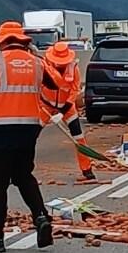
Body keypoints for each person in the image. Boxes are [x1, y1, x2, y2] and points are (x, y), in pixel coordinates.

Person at [0, 21, 69, 253]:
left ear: (2, 42)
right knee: (24, 176)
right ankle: (41, 217)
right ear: (24, 41)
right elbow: (58, 83)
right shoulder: (38, 63)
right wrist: (39, 60)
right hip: (29, 130)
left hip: (0, 131)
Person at [40, 40, 94, 181]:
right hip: (45, 106)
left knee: (78, 138)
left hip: (67, 107)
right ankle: (20, 169)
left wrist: (64, 108)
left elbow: (75, 89)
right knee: (29, 136)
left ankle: (87, 169)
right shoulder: (43, 67)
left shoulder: (73, 68)